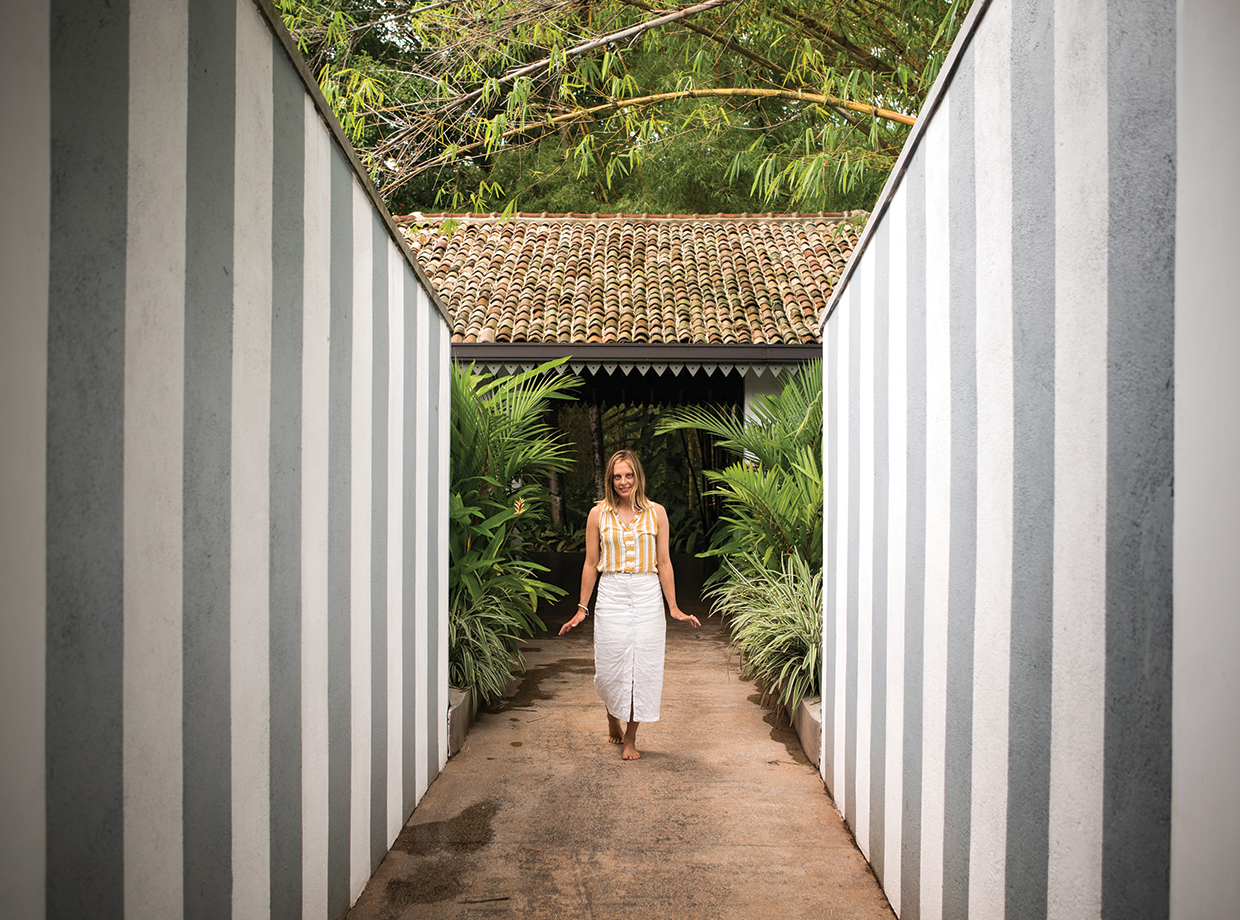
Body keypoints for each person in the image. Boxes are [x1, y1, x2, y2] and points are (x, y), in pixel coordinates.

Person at [559, 449, 701, 760]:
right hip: (611, 592)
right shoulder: (598, 514)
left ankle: (631, 738)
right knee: (609, 668)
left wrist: (673, 607)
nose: (624, 482)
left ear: (638, 477)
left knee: (644, 669)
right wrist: (581, 608)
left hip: (647, 592)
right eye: (617, 476)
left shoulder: (656, 512)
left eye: (629, 475)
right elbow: (590, 563)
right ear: (611, 480)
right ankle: (612, 716)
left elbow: (664, 562)